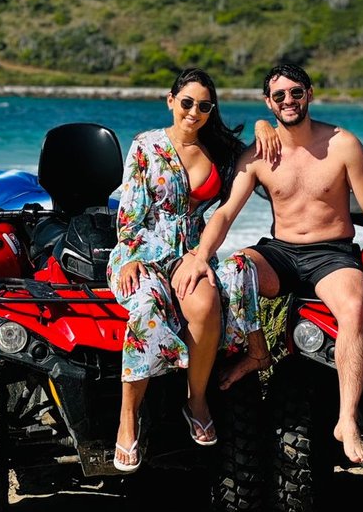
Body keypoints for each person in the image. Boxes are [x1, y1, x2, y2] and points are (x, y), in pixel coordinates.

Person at [174, 62, 363, 466]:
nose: (288, 100)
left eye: (296, 92)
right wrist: (200, 256)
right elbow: (225, 213)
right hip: (281, 253)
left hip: (332, 254)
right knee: (234, 269)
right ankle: (257, 353)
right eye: (279, 95)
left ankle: (347, 420)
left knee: (353, 306)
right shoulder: (259, 154)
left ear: (309, 94)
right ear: (268, 102)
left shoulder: (343, 144)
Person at [107, 67, 273, 473]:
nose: (194, 112)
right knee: (147, 307)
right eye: (187, 103)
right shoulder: (146, 146)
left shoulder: (217, 149)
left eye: (204, 106)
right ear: (171, 101)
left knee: (206, 303)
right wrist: (130, 255)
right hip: (142, 252)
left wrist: (263, 123)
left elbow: (258, 159)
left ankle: (195, 398)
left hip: (191, 254)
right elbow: (129, 215)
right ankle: (128, 417)